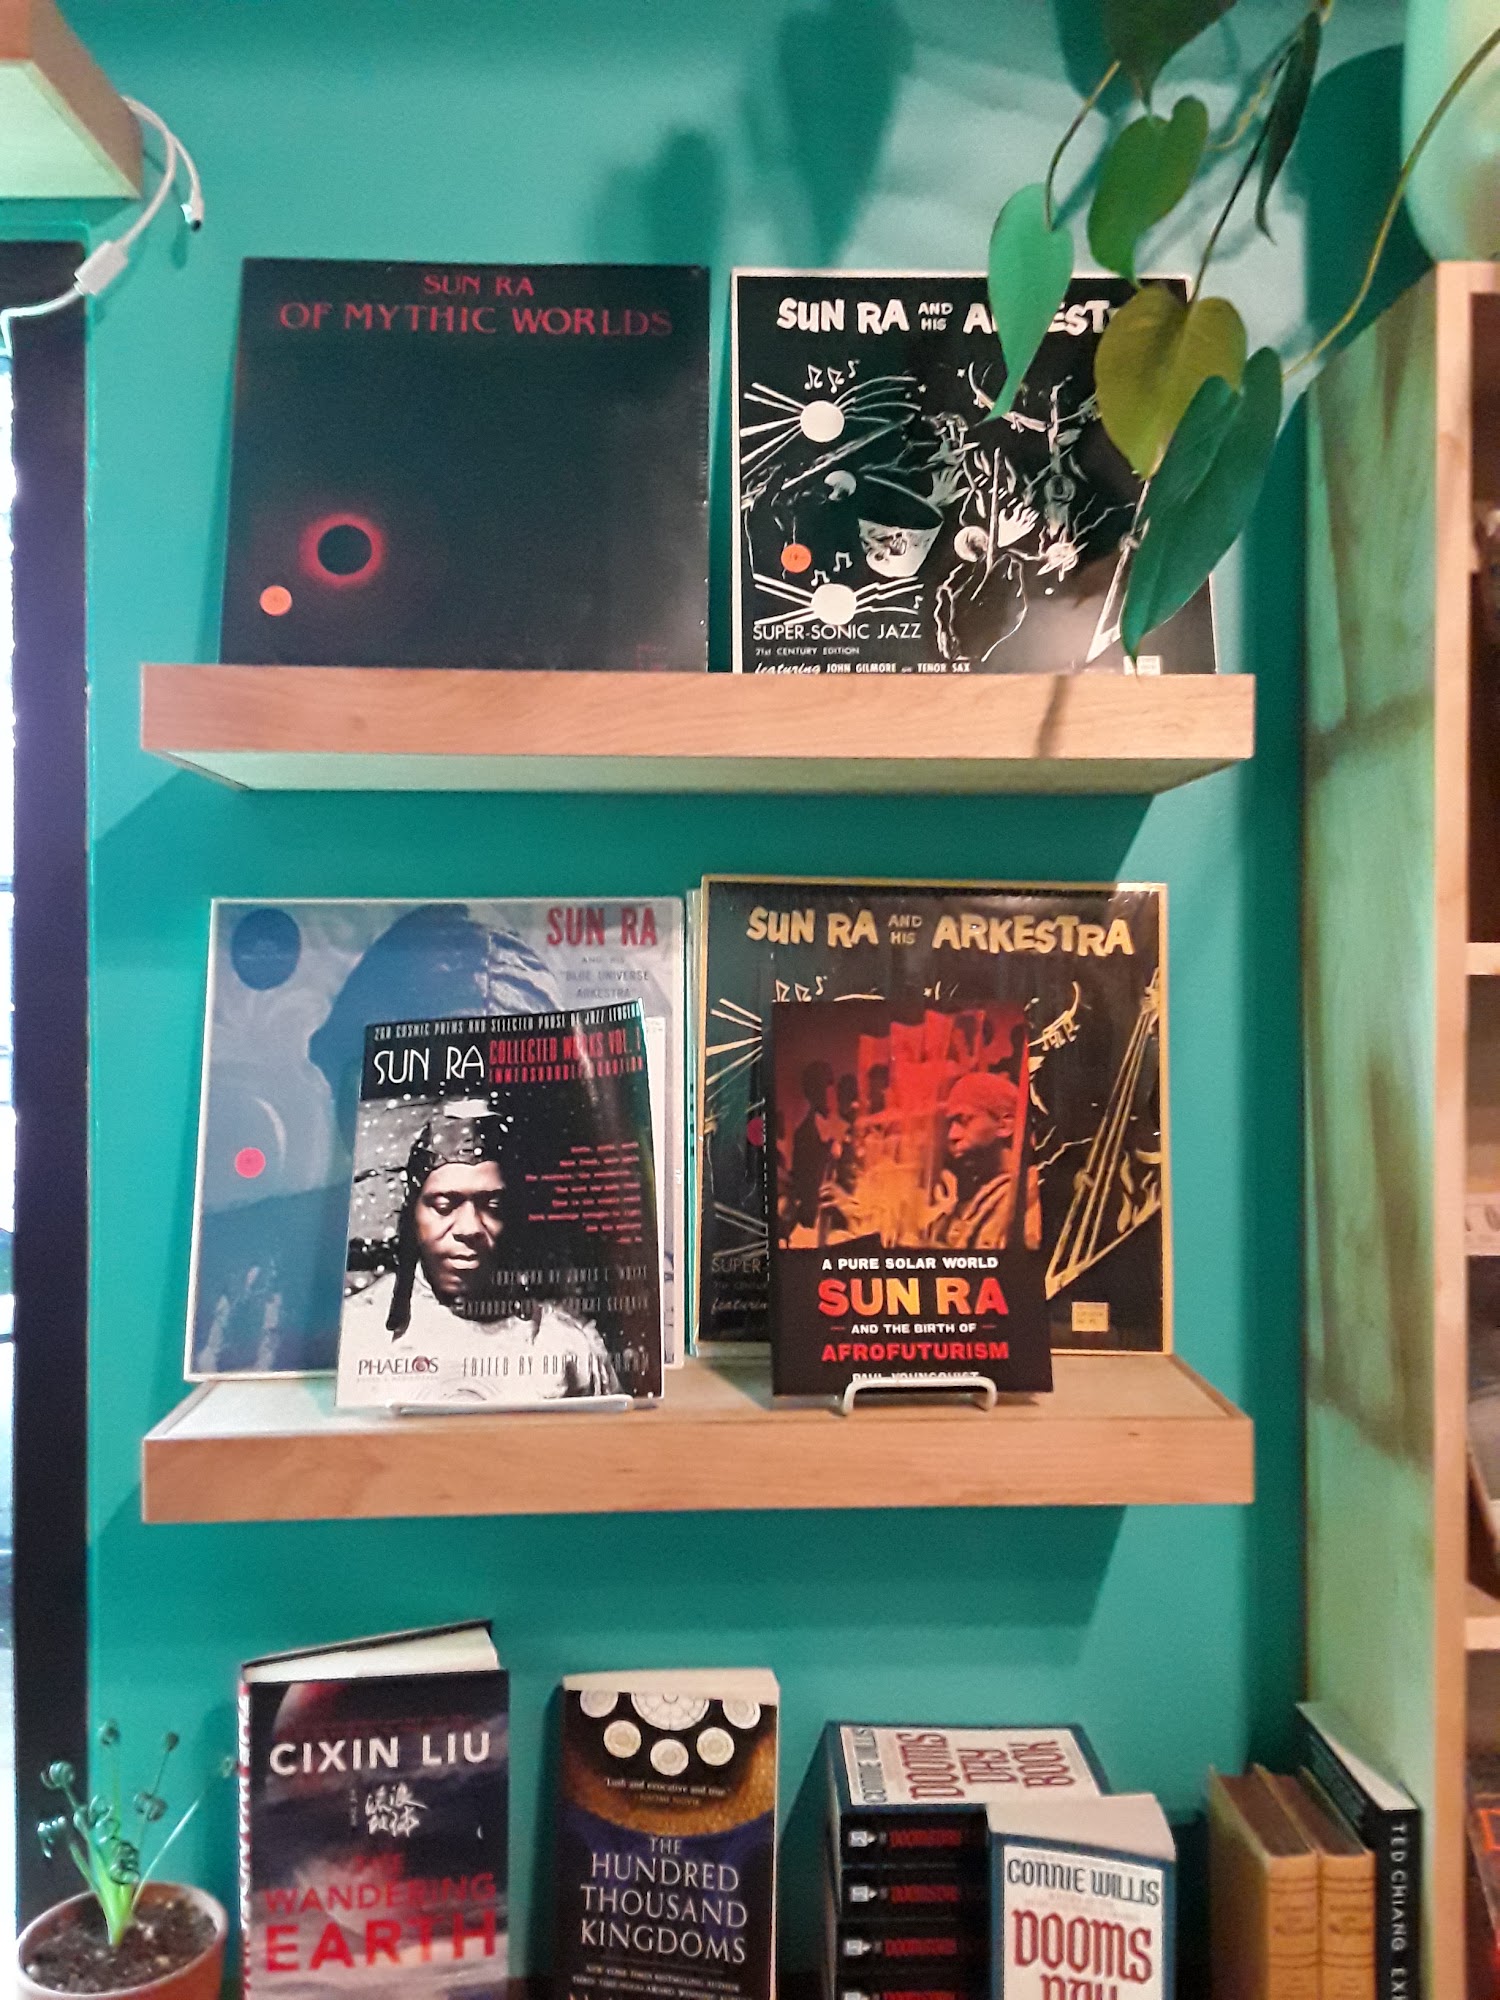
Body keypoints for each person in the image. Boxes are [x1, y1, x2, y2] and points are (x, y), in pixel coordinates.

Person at [340, 1111, 619, 1403]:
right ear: (413, 1215)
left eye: (493, 1206)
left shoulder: (566, 1344)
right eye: (444, 1206)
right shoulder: (357, 1332)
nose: (469, 1228)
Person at [927, 1070, 1040, 1252]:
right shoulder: (968, 1199)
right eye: (950, 1124)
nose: (952, 1135)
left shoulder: (1031, 1194)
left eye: (965, 1120)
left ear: (1005, 1125)